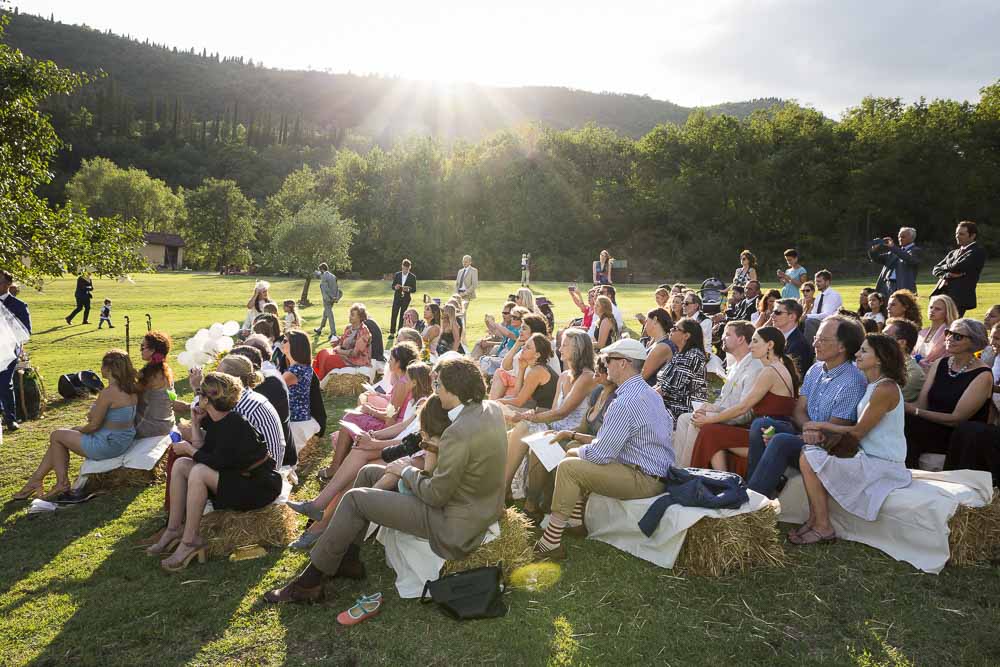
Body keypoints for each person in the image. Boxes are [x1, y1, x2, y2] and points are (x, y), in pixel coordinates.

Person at [264, 356, 506, 604]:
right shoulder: (492, 410)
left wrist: (407, 472)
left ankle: (309, 583)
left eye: (438, 386)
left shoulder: (458, 432)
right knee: (367, 473)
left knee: (355, 499)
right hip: (474, 507)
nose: (436, 392)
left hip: (452, 524)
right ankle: (349, 558)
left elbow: (436, 495)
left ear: (454, 390)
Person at [533, 338, 674, 560]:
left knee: (570, 466)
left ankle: (550, 541)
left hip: (643, 478)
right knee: (576, 448)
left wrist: (574, 452)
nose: (605, 363)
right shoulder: (649, 394)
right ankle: (576, 521)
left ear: (624, 363)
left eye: (609, 360)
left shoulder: (625, 401)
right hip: (653, 473)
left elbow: (601, 454)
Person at [288, 362, 433, 548]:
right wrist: (375, 436)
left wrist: (375, 442)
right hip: (399, 447)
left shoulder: (433, 408)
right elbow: (403, 428)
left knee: (358, 467)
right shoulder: (423, 403)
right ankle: (318, 516)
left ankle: (319, 518)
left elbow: (412, 443)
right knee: (356, 462)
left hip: (408, 454)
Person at [147, 372, 282, 571]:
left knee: (199, 470)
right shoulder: (216, 418)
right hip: (237, 478)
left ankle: (190, 541)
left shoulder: (234, 424)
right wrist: (195, 423)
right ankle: (173, 529)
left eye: (200, 393)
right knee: (182, 464)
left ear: (207, 400)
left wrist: (188, 448)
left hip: (257, 485)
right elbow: (205, 450)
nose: (197, 397)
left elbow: (215, 463)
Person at [791, 334, 912, 544]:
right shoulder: (874, 384)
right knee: (808, 454)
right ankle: (815, 520)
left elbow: (858, 432)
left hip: (883, 463)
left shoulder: (885, 388)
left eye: (864, 351)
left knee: (809, 457)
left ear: (880, 358)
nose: (857, 353)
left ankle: (823, 527)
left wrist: (819, 425)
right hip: (869, 456)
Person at [745, 315, 867, 498]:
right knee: (761, 424)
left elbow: (835, 431)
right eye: (816, 337)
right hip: (806, 432)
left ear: (842, 346)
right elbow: (798, 410)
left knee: (780, 441)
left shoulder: (853, 381)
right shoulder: (816, 369)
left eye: (823, 340)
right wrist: (808, 429)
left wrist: (811, 431)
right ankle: (752, 487)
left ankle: (752, 503)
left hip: (829, 446)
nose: (815, 343)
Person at [14, 350, 139, 501]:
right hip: (122, 439)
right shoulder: (132, 388)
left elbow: (93, 426)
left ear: (109, 368)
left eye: (102, 365)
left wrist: (82, 429)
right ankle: (35, 480)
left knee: (57, 435)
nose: (101, 369)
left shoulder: (109, 393)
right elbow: (115, 418)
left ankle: (61, 483)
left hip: (109, 445)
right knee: (62, 438)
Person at [689, 327, 799, 475]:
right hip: (762, 430)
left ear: (770, 345)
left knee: (710, 431)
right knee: (710, 430)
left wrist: (710, 420)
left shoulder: (770, 371)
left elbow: (743, 408)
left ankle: (725, 482)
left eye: (754, 341)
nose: (750, 346)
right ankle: (722, 480)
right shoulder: (777, 367)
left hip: (766, 435)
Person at [512, 330, 597, 515]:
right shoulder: (565, 375)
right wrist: (532, 415)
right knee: (523, 431)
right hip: (556, 427)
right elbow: (552, 412)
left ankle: (531, 503)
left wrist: (531, 417)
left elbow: (561, 412)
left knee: (538, 437)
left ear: (578, 349)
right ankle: (525, 498)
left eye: (565, 345)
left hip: (573, 432)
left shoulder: (587, 377)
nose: (560, 348)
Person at [903, 318, 992, 468]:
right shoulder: (941, 363)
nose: (949, 338)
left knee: (910, 423)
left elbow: (956, 419)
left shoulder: (983, 375)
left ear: (974, 342)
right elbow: (922, 403)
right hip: (930, 425)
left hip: (956, 435)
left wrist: (915, 411)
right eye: (948, 333)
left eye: (957, 336)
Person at [673, 321, 764, 466]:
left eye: (727, 335)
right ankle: (676, 466)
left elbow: (745, 412)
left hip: (739, 423)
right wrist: (711, 407)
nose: (722, 338)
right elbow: (723, 400)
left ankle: (685, 471)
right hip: (724, 415)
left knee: (696, 421)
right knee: (685, 418)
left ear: (741, 339)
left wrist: (714, 416)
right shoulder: (736, 365)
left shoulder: (754, 367)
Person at [944, 322, 1000, 481]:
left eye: (998, 339)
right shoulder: (993, 358)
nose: (992, 343)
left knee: (971, 429)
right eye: (992, 337)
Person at [655, 317, 708, 422]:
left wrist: (640, 397)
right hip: (667, 407)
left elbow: (668, 388)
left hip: (680, 411)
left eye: (675, 328)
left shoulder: (692, 356)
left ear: (686, 336)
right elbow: (660, 385)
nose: (671, 330)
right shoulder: (680, 354)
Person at [931, 221, 986, 317]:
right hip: (943, 295)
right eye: (956, 233)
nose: (957, 236)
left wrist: (946, 267)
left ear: (972, 236)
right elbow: (936, 269)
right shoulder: (953, 253)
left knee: (953, 327)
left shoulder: (977, 251)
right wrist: (946, 274)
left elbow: (957, 267)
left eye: (961, 234)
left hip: (959, 298)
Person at [0, 270, 31, 431]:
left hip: (9, 351)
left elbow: (26, 331)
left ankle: (10, 419)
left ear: (7, 285)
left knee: (5, 383)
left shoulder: (19, 305)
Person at [313, 303, 373, 379]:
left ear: (360, 317)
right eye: (350, 314)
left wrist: (339, 351)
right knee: (322, 353)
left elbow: (355, 354)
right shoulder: (348, 328)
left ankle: (319, 380)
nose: (350, 317)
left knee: (328, 360)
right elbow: (341, 342)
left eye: (353, 315)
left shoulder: (364, 332)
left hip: (355, 360)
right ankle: (313, 379)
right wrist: (337, 342)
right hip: (342, 354)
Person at [282, 330, 320, 451]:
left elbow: (274, 387)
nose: (281, 343)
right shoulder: (302, 367)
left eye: (284, 340)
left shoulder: (295, 371)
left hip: (295, 417)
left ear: (294, 346)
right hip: (300, 414)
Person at [134, 332, 176, 438]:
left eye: (143, 347)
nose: (140, 350)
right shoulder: (164, 368)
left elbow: (130, 391)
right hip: (167, 423)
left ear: (153, 350)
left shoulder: (152, 375)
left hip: (152, 428)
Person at [868, 227, 921, 297]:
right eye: (899, 237)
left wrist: (893, 247)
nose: (900, 239)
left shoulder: (916, 250)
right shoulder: (895, 251)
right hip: (887, 285)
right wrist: (874, 250)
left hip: (903, 286)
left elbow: (908, 258)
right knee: (886, 306)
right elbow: (877, 259)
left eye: (903, 237)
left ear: (911, 238)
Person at [883, 318, 926, 402]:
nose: (878, 339)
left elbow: (886, 403)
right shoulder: (881, 362)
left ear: (902, 343)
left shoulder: (912, 373)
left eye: (885, 336)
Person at [914, 294, 959, 370]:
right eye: (931, 307)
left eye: (937, 309)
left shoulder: (950, 334)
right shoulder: (922, 332)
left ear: (947, 312)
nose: (932, 311)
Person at [770, 298, 814, 375]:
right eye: (773, 312)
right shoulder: (775, 338)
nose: (772, 315)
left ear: (792, 317)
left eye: (777, 312)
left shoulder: (799, 345)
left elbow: (794, 378)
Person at [803, 270, 843, 342]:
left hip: (831, 324)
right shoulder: (819, 296)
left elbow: (827, 315)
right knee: (799, 321)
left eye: (819, 281)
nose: (816, 284)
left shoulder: (833, 295)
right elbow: (814, 313)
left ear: (827, 282)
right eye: (816, 281)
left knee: (809, 321)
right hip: (820, 322)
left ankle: (808, 350)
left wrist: (807, 316)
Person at [640, 308, 675, 385]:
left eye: (646, 322)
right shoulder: (657, 342)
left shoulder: (662, 347)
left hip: (650, 393)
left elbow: (642, 376)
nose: (645, 327)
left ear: (655, 320)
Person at [681, 292, 714, 358]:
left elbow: (697, 342)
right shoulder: (683, 320)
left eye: (687, 303)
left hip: (701, 354)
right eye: (683, 303)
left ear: (696, 306)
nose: (683, 305)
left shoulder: (705, 321)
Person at [390, 259, 417, 337]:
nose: (405, 270)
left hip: (406, 299)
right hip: (397, 297)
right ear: (402, 266)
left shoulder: (412, 277)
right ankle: (392, 333)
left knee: (403, 316)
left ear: (409, 268)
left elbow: (414, 289)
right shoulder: (397, 275)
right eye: (404, 268)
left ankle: (399, 333)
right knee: (394, 314)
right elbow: (393, 286)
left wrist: (408, 289)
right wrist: (396, 287)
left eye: (407, 269)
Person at [315, 262, 339, 336]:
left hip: (327, 299)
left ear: (322, 269)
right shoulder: (333, 276)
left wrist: (332, 297)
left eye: (320, 270)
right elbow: (337, 287)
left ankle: (333, 333)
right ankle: (320, 329)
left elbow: (326, 289)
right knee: (325, 314)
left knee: (330, 316)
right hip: (333, 299)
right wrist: (336, 297)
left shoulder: (324, 276)